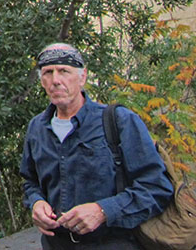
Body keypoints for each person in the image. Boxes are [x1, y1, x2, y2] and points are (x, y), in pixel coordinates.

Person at [20, 43, 173, 249]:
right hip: (55, 244)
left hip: (112, 243)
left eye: (64, 71)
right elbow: (30, 181)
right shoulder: (37, 128)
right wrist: (36, 203)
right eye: (48, 72)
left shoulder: (119, 121)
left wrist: (103, 211)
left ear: (82, 77)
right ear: (42, 80)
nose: (56, 80)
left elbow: (157, 188)